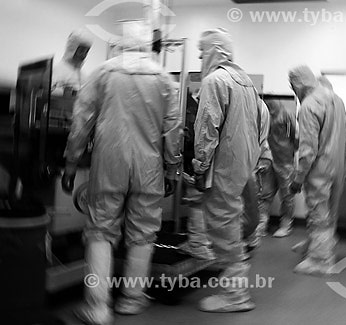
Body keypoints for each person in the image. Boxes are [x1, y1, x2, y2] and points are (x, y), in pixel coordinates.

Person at [61, 33, 182, 324]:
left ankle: (97, 307)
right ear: (146, 47)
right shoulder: (164, 78)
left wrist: (70, 163)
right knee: (143, 232)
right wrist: (172, 168)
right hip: (149, 165)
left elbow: (81, 121)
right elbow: (173, 128)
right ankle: (132, 299)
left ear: (120, 45)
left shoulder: (104, 72)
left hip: (109, 161)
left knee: (100, 230)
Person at [192, 28, 261, 312]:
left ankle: (235, 296)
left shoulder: (215, 80)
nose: (199, 57)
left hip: (222, 166)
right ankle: (233, 288)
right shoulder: (246, 82)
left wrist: (199, 165)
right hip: (241, 165)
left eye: (201, 51)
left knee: (223, 226)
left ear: (215, 50)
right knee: (230, 223)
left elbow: (207, 128)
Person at [289, 68, 346, 276]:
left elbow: (307, 151)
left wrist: (297, 179)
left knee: (318, 211)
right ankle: (321, 245)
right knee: (331, 211)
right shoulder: (337, 100)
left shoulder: (309, 105)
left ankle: (321, 260)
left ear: (298, 84)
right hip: (339, 164)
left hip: (320, 168)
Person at [246, 99, 275, 249]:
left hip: (258, 159)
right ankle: (254, 235)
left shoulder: (254, 106)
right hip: (262, 158)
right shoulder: (260, 106)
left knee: (256, 200)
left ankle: (253, 235)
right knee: (257, 199)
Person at [266, 98, 298, 238]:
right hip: (269, 158)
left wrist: (291, 152)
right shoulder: (266, 115)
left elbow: (296, 136)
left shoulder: (286, 115)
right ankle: (260, 224)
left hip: (285, 160)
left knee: (287, 195)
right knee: (265, 193)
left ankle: (286, 224)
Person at [52, 29, 93, 96]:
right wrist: (67, 91)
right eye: (81, 50)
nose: (84, 55)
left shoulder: (83, 75)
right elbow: (47, 94)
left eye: (86, 51)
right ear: (72, 48)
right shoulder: (56, 70)